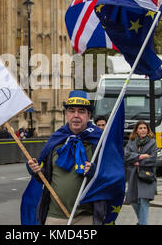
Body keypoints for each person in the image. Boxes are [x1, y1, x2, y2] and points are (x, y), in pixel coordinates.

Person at [26, 90, 104, 225]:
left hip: (86, 217)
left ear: (89, 115)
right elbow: (45, 177)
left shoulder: (99, 142)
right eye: (71, 110)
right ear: (66, 114)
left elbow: (112, 176)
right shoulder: (56, 140)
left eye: (81, 111)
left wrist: (95, 173)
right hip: (55, 216)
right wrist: (34, 170)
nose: (76, 115)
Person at [124, 121, 158, 225]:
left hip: (147, 176)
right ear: (136, 130)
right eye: (140, 128)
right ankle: (141, 221)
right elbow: (126, 156)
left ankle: (143, 223)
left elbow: (153, 159)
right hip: (133, 175)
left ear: (148, 130)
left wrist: (137, 162)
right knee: (133, 201)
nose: (143, 130)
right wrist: (140, 157)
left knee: (144, 200)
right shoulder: (131, 142)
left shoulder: (152, 142)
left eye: (144, 128)